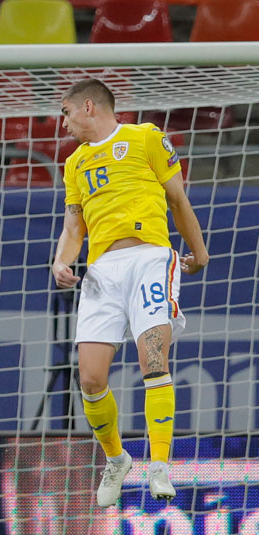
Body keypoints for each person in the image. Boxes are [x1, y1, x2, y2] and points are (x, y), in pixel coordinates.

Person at [53, 78, 209, 507]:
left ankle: (159, 463)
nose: (61, 123)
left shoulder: (146, 137)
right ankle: (116, 459)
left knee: (153, 362)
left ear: (88, 107)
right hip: (103, 271)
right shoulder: (73, 165)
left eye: (65, 112)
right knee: (89, 378)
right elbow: (73, 227)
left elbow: (178, 200)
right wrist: (61, 261)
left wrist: (199, 252)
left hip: (149, 259)